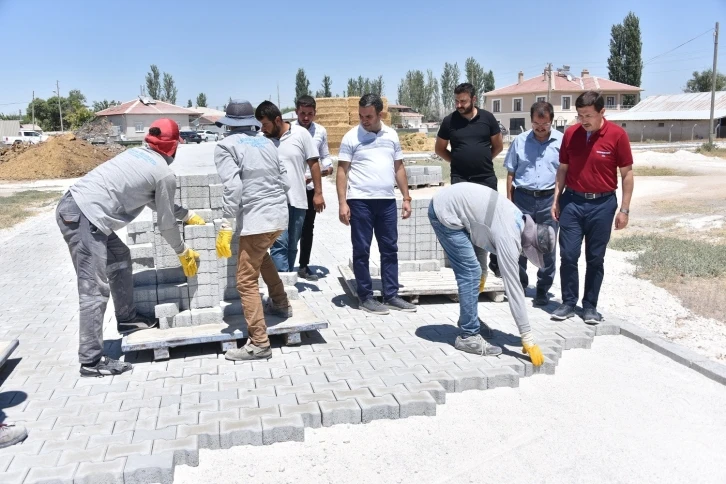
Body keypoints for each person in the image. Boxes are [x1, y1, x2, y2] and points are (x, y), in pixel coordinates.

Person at [56, 119, 205, 377]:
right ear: (173, 146)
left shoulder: (136, 154)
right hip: (83, 217)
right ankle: (91, 361)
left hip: (77, 210)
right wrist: (182, 251)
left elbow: (155, 201)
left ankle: (127, 319)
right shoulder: (164, 173)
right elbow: (166, 223)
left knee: (120, 256)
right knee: (94, 290)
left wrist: (187, 214)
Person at [429, 183, 555, 363]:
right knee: (470, 273)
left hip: (456, 208)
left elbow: (480, 232)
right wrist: (527, 337)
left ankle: (468, 319)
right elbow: (514, 290)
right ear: (529, 245)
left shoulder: (518, 219)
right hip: (445, 212)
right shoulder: (510, 237)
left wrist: (484, 272)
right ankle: (468, 336)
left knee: (476, 272)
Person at [213, 100, 291, 361]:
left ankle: (259, 343)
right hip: (279, 217)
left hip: (257, 221)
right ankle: (280, 303)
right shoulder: (268, 142)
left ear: (229, 124)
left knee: (245, 281)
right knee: (261, 256)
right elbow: (286, 179)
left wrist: (226, 225)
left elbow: (233, 189)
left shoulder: (226, 146)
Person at [551, 91, 634, 324]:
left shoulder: (618, 135)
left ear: (602, 112)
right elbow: (563, 169)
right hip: (573, 203)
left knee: (595, 258)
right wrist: (556, 199)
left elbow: (627, 174)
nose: (583, 120)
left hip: (603, 204)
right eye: (579, 115)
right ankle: (568, 303)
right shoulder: (570, 134)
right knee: (568, 254)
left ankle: (590, 307)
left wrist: (624, 210)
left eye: (588, 115)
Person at [337, 93, 417, 315]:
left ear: (380, 114)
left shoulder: (391, 135)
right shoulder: (351, 137)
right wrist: (343, 203)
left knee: (389, 248)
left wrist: (406, 197)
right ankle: (366, 297)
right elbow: (342, 171)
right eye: (361, 115)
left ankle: (391, 295)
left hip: (387, 202)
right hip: (360, 201)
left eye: (369, 116)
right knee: (361, 250)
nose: (364, 120)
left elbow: (398, 167)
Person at [436, 82, 504, 277]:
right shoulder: (449, 121)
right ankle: (468, 270)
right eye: (456, 101)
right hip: (460, 180)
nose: (459, 105)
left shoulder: (488, 118)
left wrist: (483, 160)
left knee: (488, 224)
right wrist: (456, 161)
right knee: (464, 224)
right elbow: (439, 149)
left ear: (474, 100)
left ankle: (492, 266)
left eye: (463, 101)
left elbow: (498, 146)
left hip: (485, 179)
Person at [504, 101, 562, 306]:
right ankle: (519, 286)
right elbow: (510, 173)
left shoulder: (561, 142)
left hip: (549, 201)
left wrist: (557, 201)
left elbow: (564, 174)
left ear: (551, 121)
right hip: (523, 199)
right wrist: (510, 203)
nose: (539, 128)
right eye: (536, 123)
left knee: (547, 245)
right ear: (531, 121)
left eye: (544, 124)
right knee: (519, 244)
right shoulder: (519, 141)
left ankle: (542, 290)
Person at [255, 101, 324, 273]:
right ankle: (282, 289)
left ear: (277, 120)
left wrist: (318, 193)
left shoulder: (301, 134)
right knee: (279, 244)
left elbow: (314, 163)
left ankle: (286, 283)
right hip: (272, 203)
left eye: (265, 124)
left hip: (298, 200)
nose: (262, 129)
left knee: (292, 244)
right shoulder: (260, 140)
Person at [295, 95, 334, 281]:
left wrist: (327, 167)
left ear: (315, 113)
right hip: (291, 190)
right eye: (303, 113)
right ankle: (284, 266)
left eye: (310, 114)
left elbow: (325, 156)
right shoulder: (289, 131)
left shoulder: (320, 132)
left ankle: (303, 266)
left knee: (307, 228)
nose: (306, 118)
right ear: (296, 112)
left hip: (310, 188)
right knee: (289, 228)